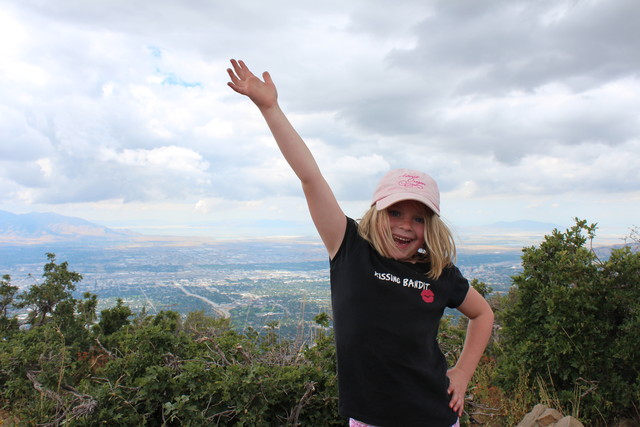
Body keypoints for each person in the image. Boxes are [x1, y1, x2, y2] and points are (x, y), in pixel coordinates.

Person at [227, 59, 494, 427]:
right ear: (376, 211)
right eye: (395, 213)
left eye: (418, 218)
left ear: (429, 226)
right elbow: (310, 177)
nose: (405, 226)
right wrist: (270, 108)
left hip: (435, 416)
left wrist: (462, 372)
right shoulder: (350, 246)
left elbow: (483, 314)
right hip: (370, 420)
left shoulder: (439, 272)